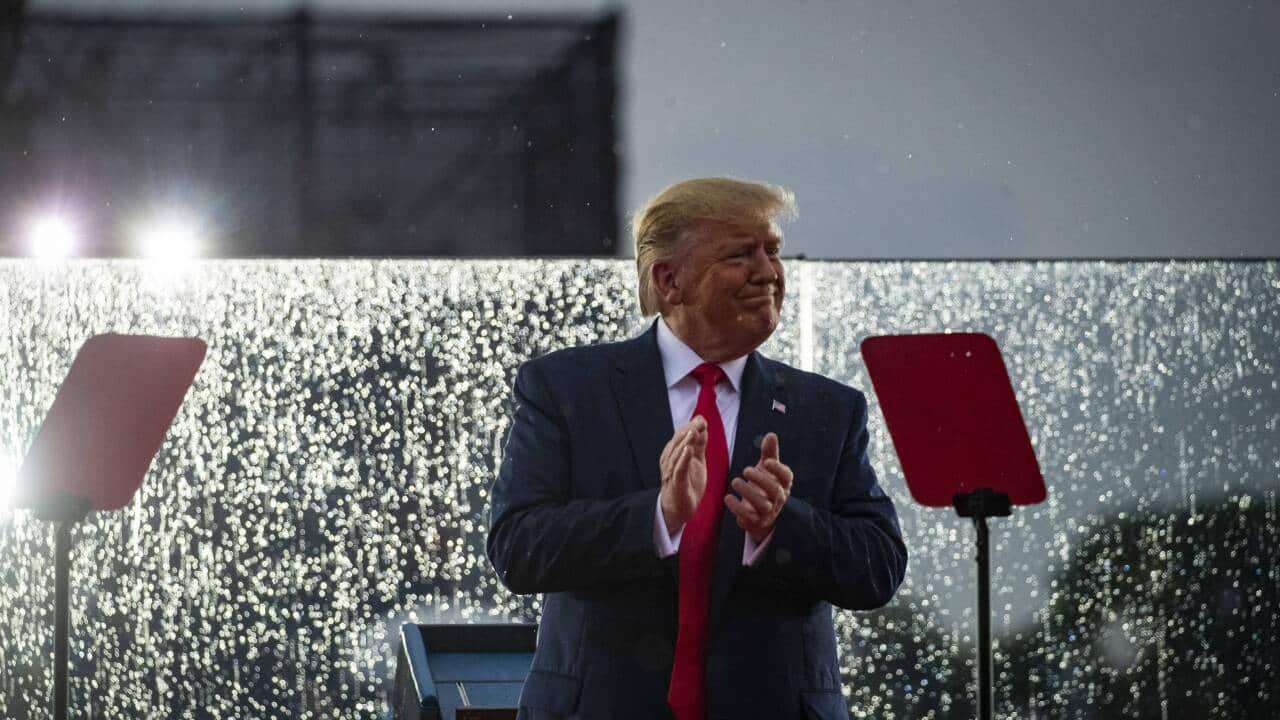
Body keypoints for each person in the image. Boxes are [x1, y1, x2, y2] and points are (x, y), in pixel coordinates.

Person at [486, 177, 907, 720]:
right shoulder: (565, 389)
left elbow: (880, 568)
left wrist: (780, 525)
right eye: (740, 255)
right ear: (669, 280)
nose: (768, 272)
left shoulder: (827, 409)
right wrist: (657, 516)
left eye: (772, 251)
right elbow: (518, 549)